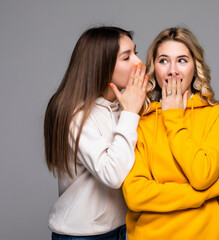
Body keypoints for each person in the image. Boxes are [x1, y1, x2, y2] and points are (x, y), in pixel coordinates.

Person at [122, 27, 219, 239]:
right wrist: (212, 191)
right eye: (163, 60)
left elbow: (201, 176)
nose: (172, 70)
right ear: (153, 68)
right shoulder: (139, 122)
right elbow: (136, 196)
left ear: (195, 67)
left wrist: (173, 117)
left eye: (182, 60)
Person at [44, 26, 148, 240]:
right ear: (102, 65)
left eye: (135, 53)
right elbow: (112, 174)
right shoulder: (76, 114)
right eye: (126, 57)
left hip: (121, 228)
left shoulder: (126, 106)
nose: (139, 63)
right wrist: (130, 114)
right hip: (82, 235)